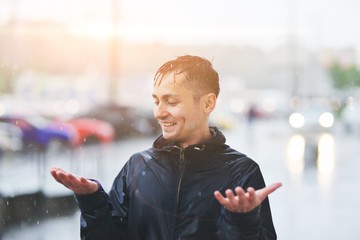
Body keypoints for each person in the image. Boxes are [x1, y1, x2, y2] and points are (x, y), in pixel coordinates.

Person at [50, 55, 282, 240]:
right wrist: (93, 203)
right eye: (156, 101)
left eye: (172, 102)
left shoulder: (241, 172)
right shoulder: (137, 166)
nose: (160, 112)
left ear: (208, 103)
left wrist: (242, 220)